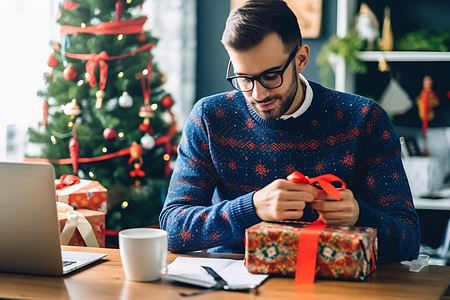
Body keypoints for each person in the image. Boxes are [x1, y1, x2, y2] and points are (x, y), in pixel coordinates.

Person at [159, 0, 420, 263]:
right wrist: (252, 207)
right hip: (232, 285)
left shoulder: (364, 120)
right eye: (244, 79)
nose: (257, 94)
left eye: (271, 76)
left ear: (301, 59)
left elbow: (409, 240)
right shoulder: (209, 117)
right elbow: (171, 229)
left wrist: (360, 217)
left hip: (336, 281)